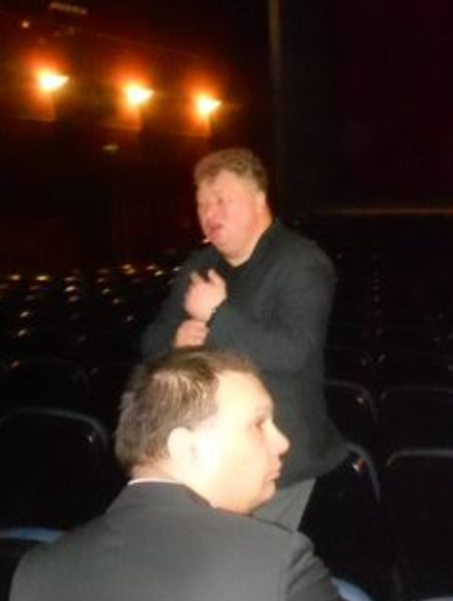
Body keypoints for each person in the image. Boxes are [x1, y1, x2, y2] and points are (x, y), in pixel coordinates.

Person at [8, 349, 389, 601]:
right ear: (186, 447)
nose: (282, 441)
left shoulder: (36, 570)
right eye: (258, 424)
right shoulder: (273, 562)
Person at [141, 147, 345, 529]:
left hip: (277, 462)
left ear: (259, 199)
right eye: (202, 204)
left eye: (222, 200)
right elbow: (151, 341)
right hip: (209, 458)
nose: (209, 214)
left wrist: (217, 314)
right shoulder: (199, 266)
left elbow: (293, 353)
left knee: (254, 561)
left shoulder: (302, 263)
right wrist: (176, 344)